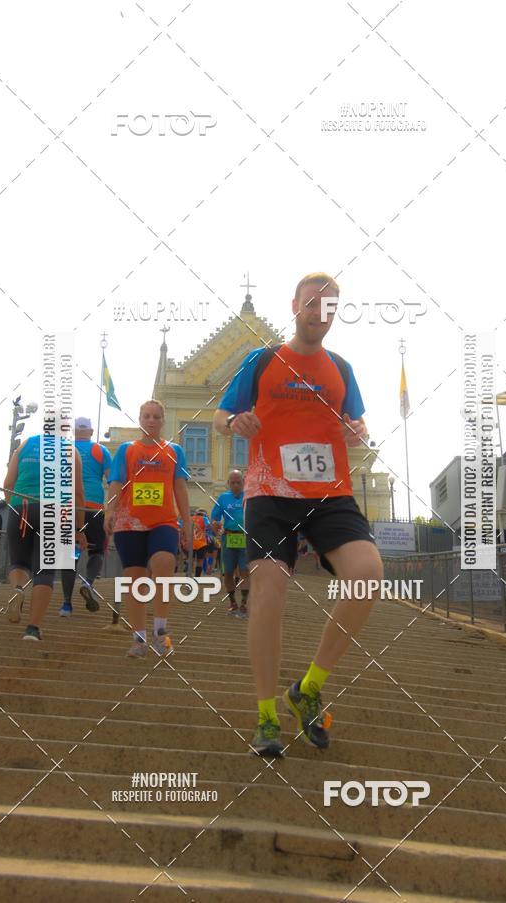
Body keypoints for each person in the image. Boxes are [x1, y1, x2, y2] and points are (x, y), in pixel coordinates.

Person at [213, 272, 384, 757]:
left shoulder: (342, 370)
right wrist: (235, 423)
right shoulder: (262, 360)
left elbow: (358, 421)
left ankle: (307, 688)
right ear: (295, 306)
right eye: (312, 303)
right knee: (269, 585)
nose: (319, 313)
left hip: (330, 492)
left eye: (329, 306)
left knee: (368, 575)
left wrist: (356, 430)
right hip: (269, 489)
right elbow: (220, 417)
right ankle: (266, 716)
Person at [104, 400, 191, 657]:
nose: (151, 420)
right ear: (140, 419)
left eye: (156, 417)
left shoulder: (175, 451)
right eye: (146, 416)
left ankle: (161, 633)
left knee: (164, 563)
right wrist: (109, 510)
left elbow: (180, 487)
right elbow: (116, 483)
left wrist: (186, 523)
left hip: (163, 521)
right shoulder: (127, 450)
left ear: (163, 421)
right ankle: (139, 639)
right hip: (129, 522)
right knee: (136, 581)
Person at [3, 430, 87, 641]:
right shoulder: (71, 450)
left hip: (21, 506)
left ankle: (18, 589)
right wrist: (78, 529)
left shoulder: (25, 445)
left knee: (19, 563)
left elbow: (7, 483)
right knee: (45, 570)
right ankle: (32, 629)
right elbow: (77, 494)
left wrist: (12, 507)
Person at [59, 416, 111, 618]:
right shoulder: (100, 450)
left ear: (74, 431)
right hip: (93, 507)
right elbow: (112, 478)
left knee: (70, 554)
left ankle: (66, 605)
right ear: (90, 431)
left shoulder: (64, 448)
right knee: (97, 551)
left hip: (67, 506)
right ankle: (88, 582)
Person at [211, 469, 249, 617]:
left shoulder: (249, 497)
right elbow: (215, 517)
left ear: (243, 482)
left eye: (238, 482)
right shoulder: (223, 498)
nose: (236, 485)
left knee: (245, 571)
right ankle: (233, 603)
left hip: (245, 538)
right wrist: (214, 524)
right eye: (232, 482)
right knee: (228, 572)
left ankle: (244, 604)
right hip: (228, 538)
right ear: (228, 483)